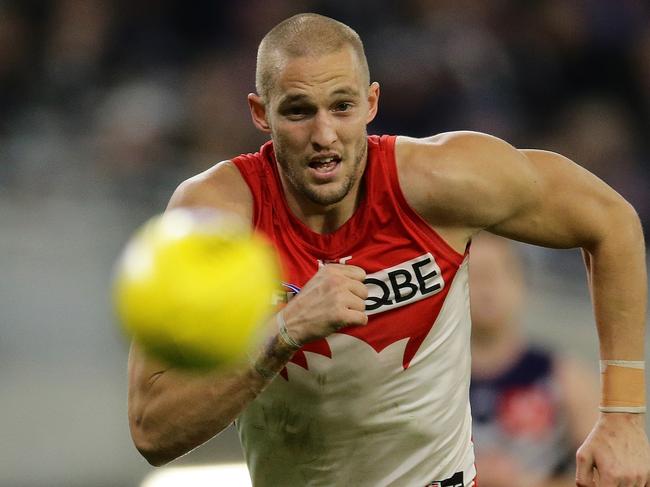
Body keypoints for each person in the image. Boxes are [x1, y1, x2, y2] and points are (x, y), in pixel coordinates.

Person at [127, 13, 649, 487]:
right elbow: (153, 431)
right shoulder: (214, 221)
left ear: (372, 103)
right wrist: (282, 334)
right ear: (260, 113)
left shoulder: (442, 181)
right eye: (298, 111)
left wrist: (624, 416)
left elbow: (611, 222)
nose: (324, 134)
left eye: (342, 106)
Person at [468, 234, 600, 487]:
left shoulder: (566, 378)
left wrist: (524, 483)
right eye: (475, 277)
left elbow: (608, 475)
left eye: (498, 273)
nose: (487, 289)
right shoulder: (431, 381)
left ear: (522, 282)